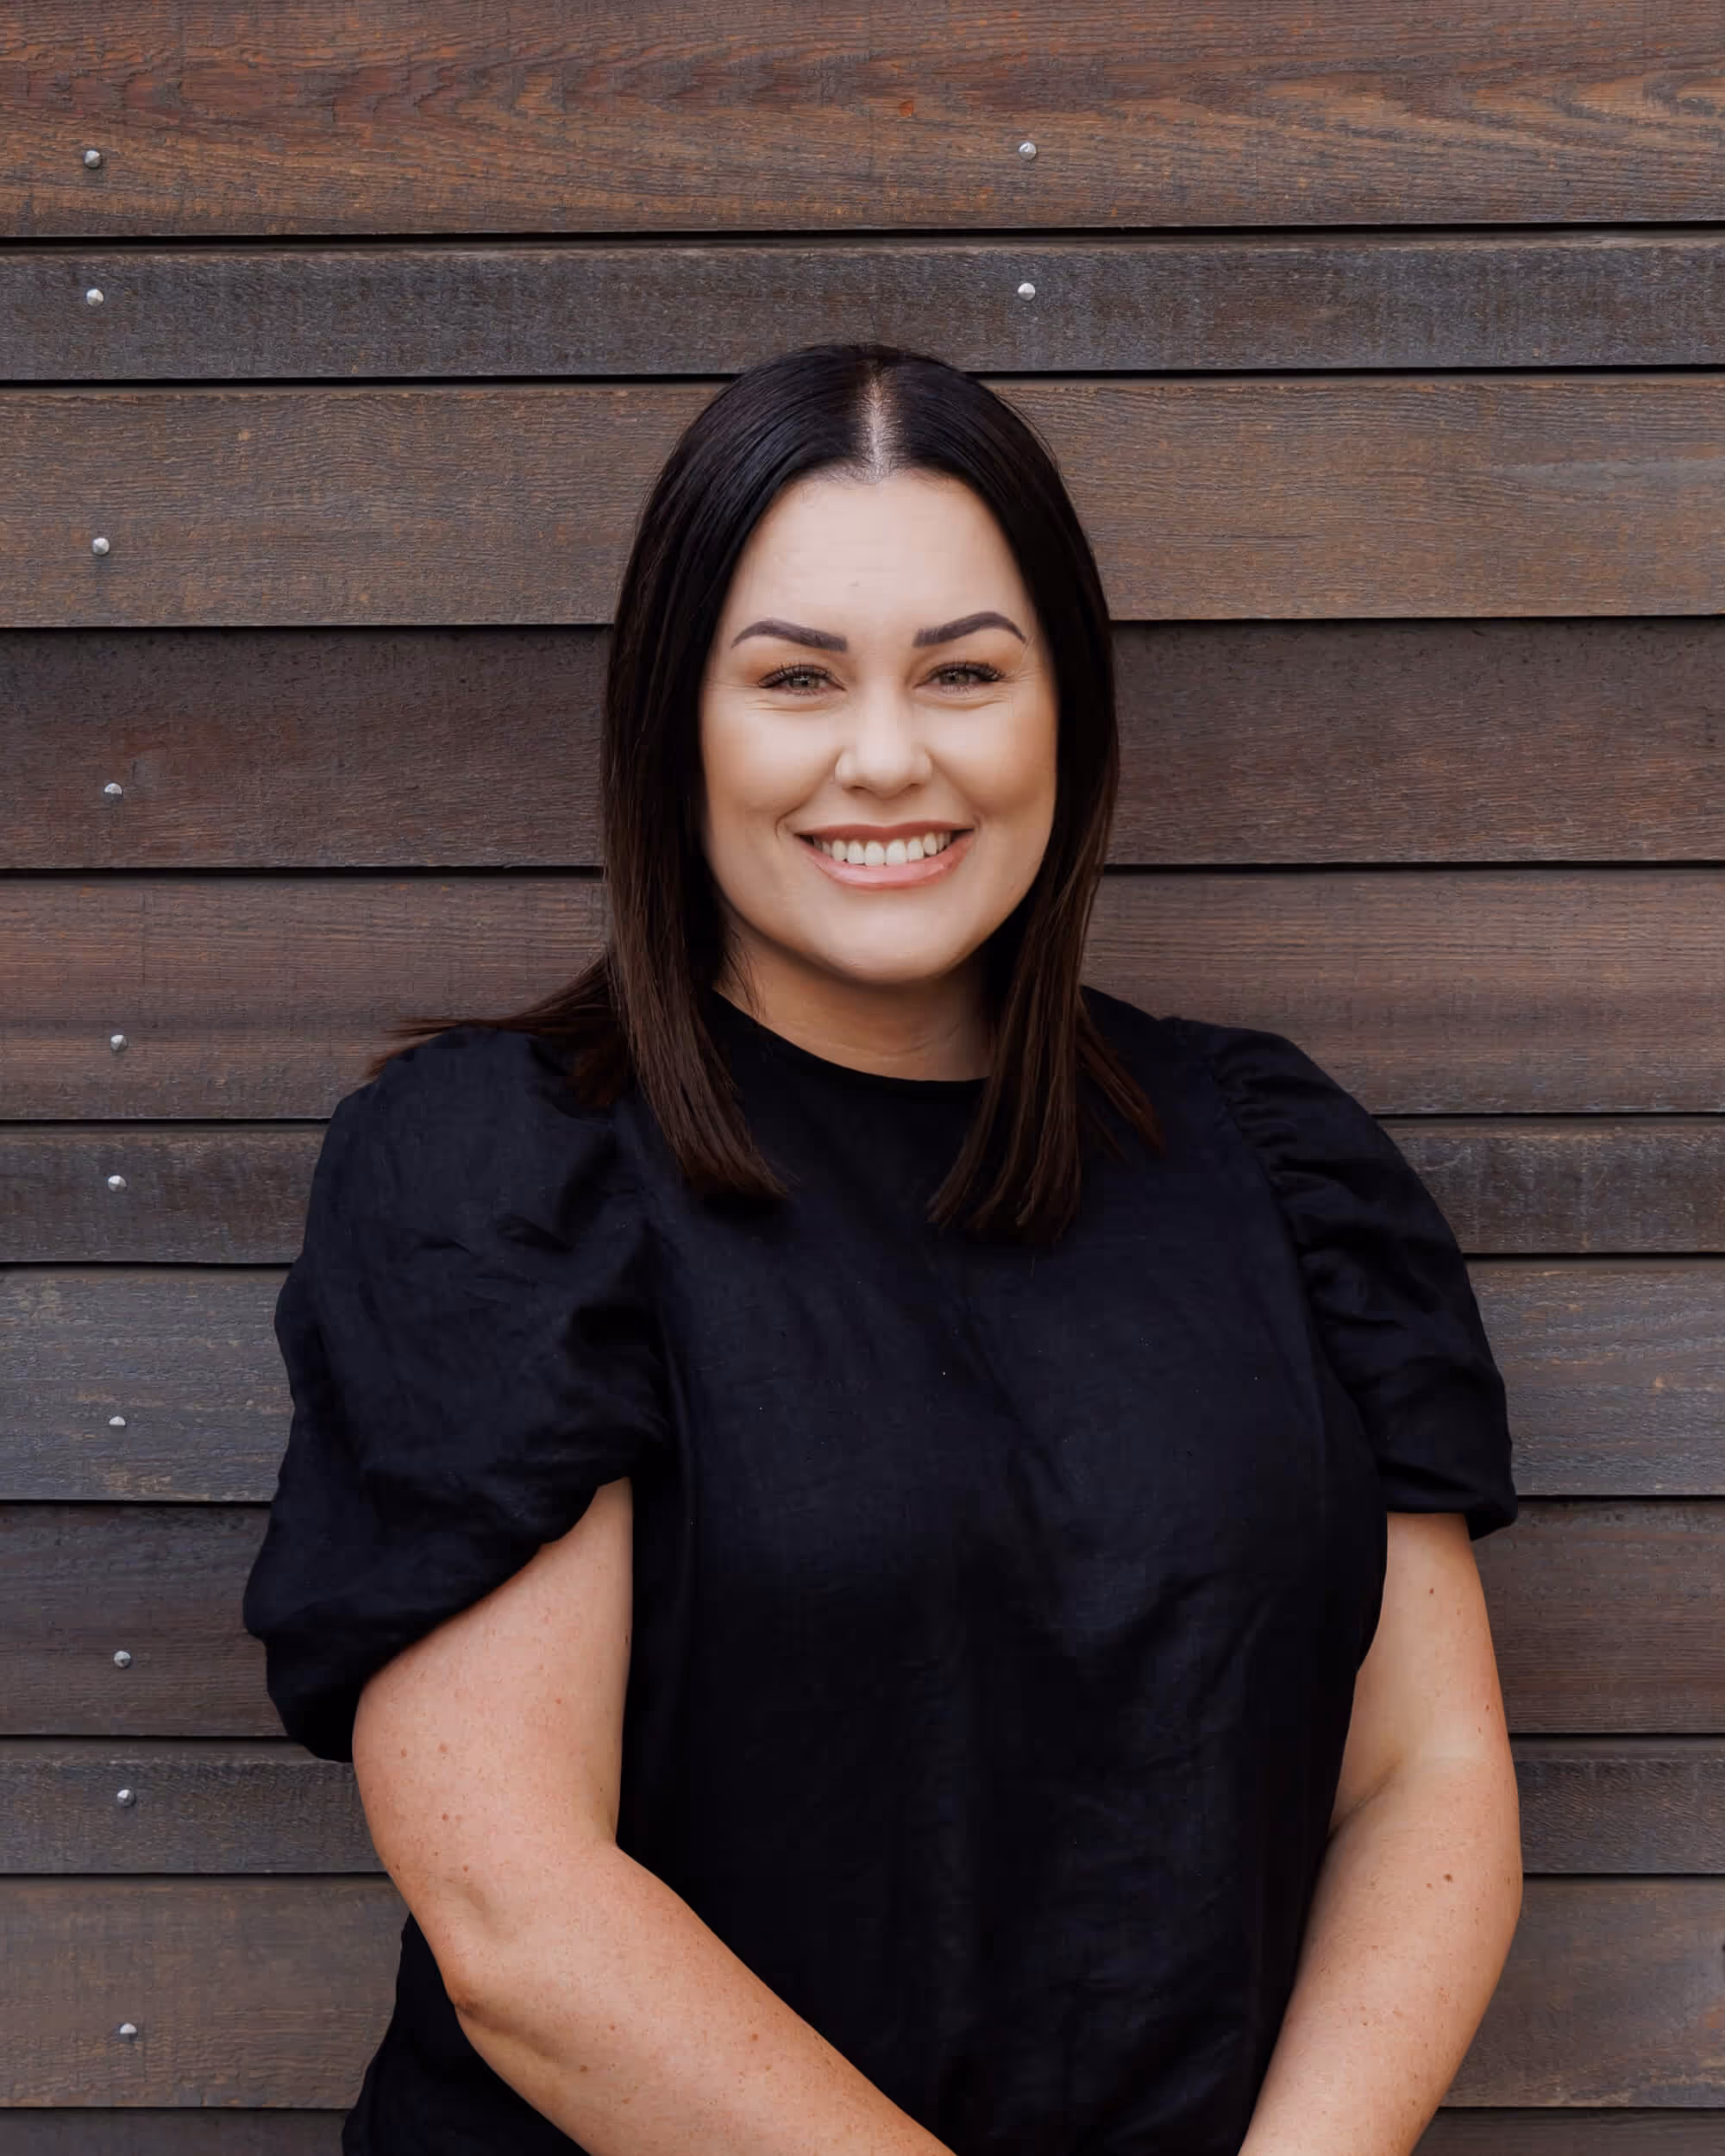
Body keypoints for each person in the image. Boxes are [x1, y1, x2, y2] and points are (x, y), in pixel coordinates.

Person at [242, 342, 1523, 2156]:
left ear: (1060, 711)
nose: (884, 754)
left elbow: (1425, 1774)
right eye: (794, 678)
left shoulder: (1268, 1154)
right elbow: (517, 1915)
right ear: (676, 723)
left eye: (964, 673)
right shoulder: (504, 1169)